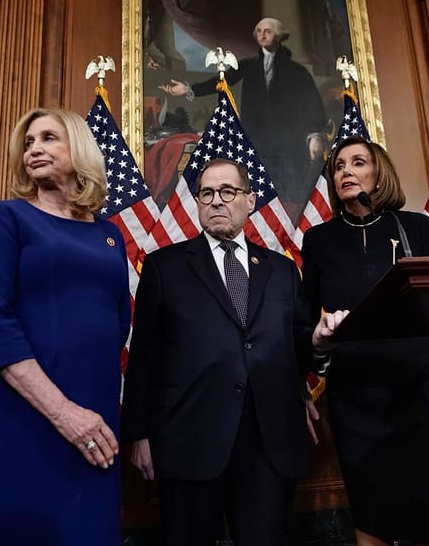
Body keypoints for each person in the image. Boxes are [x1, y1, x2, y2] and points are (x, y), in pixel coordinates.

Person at [122, 158, 318, 545]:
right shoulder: (164, 267)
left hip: (268, 444)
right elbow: (144, 356)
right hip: (189, 442)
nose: (216, 201)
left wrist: (319, 344)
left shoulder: (281, 270)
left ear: (250, 200)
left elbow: (297, 345)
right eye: (207, 193)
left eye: (227, 191)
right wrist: (139, 435)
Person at [0, 108, 130, 545]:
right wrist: (61, 410)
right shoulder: (8, 217)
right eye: (28, 143)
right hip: (26, 410)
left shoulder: (110, 234)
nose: (34, 150)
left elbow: (118, 320)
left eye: (48, 138)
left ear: (79, 148)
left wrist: (84, 398)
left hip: (96, 414)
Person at [301, 136, 429, 546]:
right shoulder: (319, 239)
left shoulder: (416, 227)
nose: (346, 172)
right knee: (370, 505)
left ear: (378, 173)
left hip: (418, 386)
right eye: (339, 166)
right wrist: (317, 340)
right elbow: (303, 316)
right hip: (356, 391)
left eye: (357, 163)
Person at [158, 18, 326, 210]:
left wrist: (314, 135)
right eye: (259, 31)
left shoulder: (297, 71)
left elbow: (312, 103)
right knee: (260, 195)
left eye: (268, 31)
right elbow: (222, 81)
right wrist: (189, 89)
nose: (262, 35)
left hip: (289, 144)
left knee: (289, 197)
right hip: (257, 141)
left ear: (279, 36)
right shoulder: (249, 65)